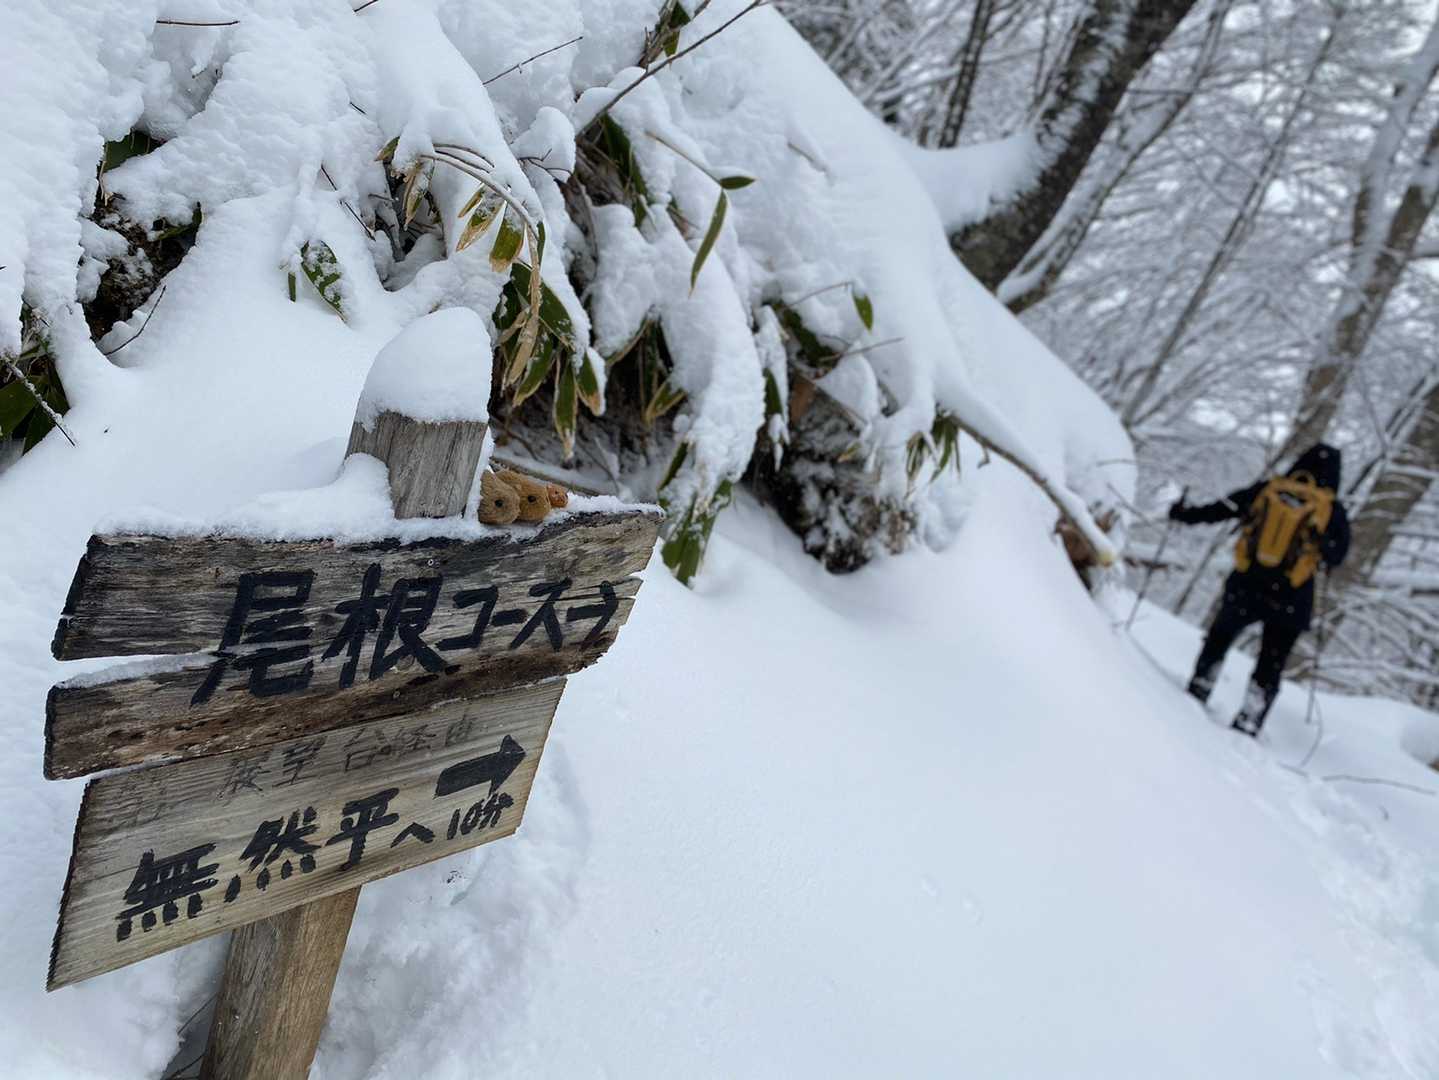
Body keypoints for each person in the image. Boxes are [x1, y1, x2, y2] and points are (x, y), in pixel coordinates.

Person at [1167, 443, 1350, 736]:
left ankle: (1200, 685)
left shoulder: (1269, 490)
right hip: (1292, 597)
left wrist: (1183, 514)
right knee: (1271, 663)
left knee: (1219, 639)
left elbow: (1222, 509)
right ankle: (1249, 718)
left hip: (1247, 584)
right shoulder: (1331, 510)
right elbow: (1337, 556)